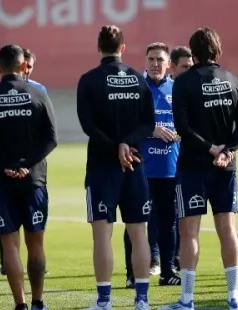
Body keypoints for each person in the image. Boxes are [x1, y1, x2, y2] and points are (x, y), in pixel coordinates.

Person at [160, 27, 238, 310]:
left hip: (192, 168)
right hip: (225, 167)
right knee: (228, 230)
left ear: (194, 52)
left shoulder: (184, 82)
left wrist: (212, 148)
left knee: (190, 234)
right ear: (217, 49)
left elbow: (182, 127)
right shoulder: (232, 79)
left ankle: (187, 299)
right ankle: (233, 297)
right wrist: (228, 150)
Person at [0, 44, 57, 310]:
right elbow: (51, 139)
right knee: (36, 244)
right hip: (34, 181)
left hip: (0, 181)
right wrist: (27, 165)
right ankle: (38, 302)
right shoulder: (38, 94)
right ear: (23, 66)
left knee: (9, 244)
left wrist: (3, 164)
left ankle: (19, 304)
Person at [77, 25, 155, 310]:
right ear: (123, 48)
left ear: (99, 48)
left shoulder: (88, 80)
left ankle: (104, 302)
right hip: (134, 164)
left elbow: (88, 125)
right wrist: (127, 143)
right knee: (139, 233)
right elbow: (149, 123)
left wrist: (115, 146)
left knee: (102, 235)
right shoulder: (137, 78)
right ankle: (142, 300)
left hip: (101, 167)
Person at [124, 42, 182, 289]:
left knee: (169, 222)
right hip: (141, 168)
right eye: (151, 59)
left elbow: (188, 123)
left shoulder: (177, 89)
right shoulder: (136, 87)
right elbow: (125, 125)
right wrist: (153, 130)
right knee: (136, 223)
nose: (156, 64)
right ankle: (132, 274)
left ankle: (167, 271)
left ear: (169, 63)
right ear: (145, 61)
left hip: (170, 167)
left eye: (160, 59)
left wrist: (179, 131)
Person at [0, 47, 50, 276]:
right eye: (24, 66)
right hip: (8, 168)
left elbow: (46, 132)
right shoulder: (2, 94)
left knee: (35, 226)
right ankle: (7, 262)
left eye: (30, 67)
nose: (26, 71)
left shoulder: (39, 90)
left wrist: (29, 161)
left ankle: (35, 264)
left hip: (34, 167)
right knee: (8, 221)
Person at [168, 45, 193, 270]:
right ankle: (155, 260)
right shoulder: (167, 88)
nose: (189, 70)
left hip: (184, 163)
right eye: (185, 67)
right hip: (158, 163)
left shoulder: (195, 88)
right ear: (173, 67)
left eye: (191, 66)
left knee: (181, 216)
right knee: (154, 217)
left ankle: (175, 261)